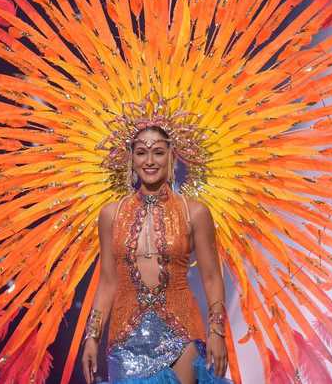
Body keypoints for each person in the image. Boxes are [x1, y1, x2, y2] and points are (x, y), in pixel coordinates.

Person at [80, 125, 230, 384]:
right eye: (141, 153)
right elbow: (107, 281)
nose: (149, 161)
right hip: (124, 337)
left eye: (158, 152)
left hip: (181, 332)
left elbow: (212, 277)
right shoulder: (110, 215)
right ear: (132, 158)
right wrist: (91, 337)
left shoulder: (193, 212)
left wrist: (216, 331)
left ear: (171, 156)